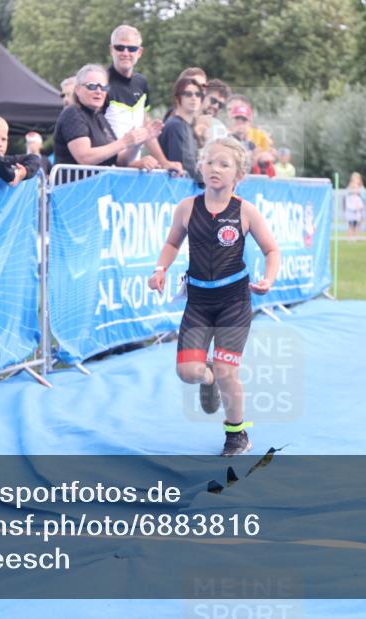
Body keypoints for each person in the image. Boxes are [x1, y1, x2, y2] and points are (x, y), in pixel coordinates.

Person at [148, 137, 280, 456]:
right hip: (198, 303)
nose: (215, 169)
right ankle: (208, 379)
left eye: (224, 164)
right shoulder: (187, 208)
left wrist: (269, 278)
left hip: (234, 302)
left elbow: (271, 250)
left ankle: (236, 435)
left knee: (226, 371)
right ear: (201, 168)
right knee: (188, 373)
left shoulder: (245, 211)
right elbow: (172, 243)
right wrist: (160, 268)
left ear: (239, 175)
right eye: (209, 162)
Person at [104, 24, 178, 171]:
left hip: (132, 170)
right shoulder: (101, 83)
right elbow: (96, 132)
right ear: (112, 50)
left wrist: (164, 162)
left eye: (131, 48)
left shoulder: (141, 82)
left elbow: (146, 129)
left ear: (139, 52)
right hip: (106, 170)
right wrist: (129, 163)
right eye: (120, 47)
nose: (125, 53)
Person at [53, 63, 155, 168]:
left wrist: (136, 142)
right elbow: (85, 158)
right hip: (76, 179)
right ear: (78, 90)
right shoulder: (73, 113)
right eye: (92, 86)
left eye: (104, 87)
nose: (99, 91)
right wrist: (123, 142)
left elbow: (120, 161)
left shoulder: (100, 117)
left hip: (101, 179)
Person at [158, 77, 203, 182]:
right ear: (177, 98)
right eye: (188, 94)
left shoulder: (185, 126)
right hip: (175, 186)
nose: (194, 98)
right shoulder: (176, 126)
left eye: (198, 94)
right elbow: (185, 165)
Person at [227, 104, 256, 171]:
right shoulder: (225, 140)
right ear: (231, 122)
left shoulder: (251, 144)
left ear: (249, 124)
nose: (240, 123)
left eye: (244, 120)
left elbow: (252, 165)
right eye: (237, 120)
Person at [345, 172, 365, 239]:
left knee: (359, 224)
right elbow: (348, 203)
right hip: (351, 212)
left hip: (359, 211)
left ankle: (359, 237)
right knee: (350, 224)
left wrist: (360, 208)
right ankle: (350, 237)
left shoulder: (361, 190)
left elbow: (363, 201)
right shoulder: (349, 194)